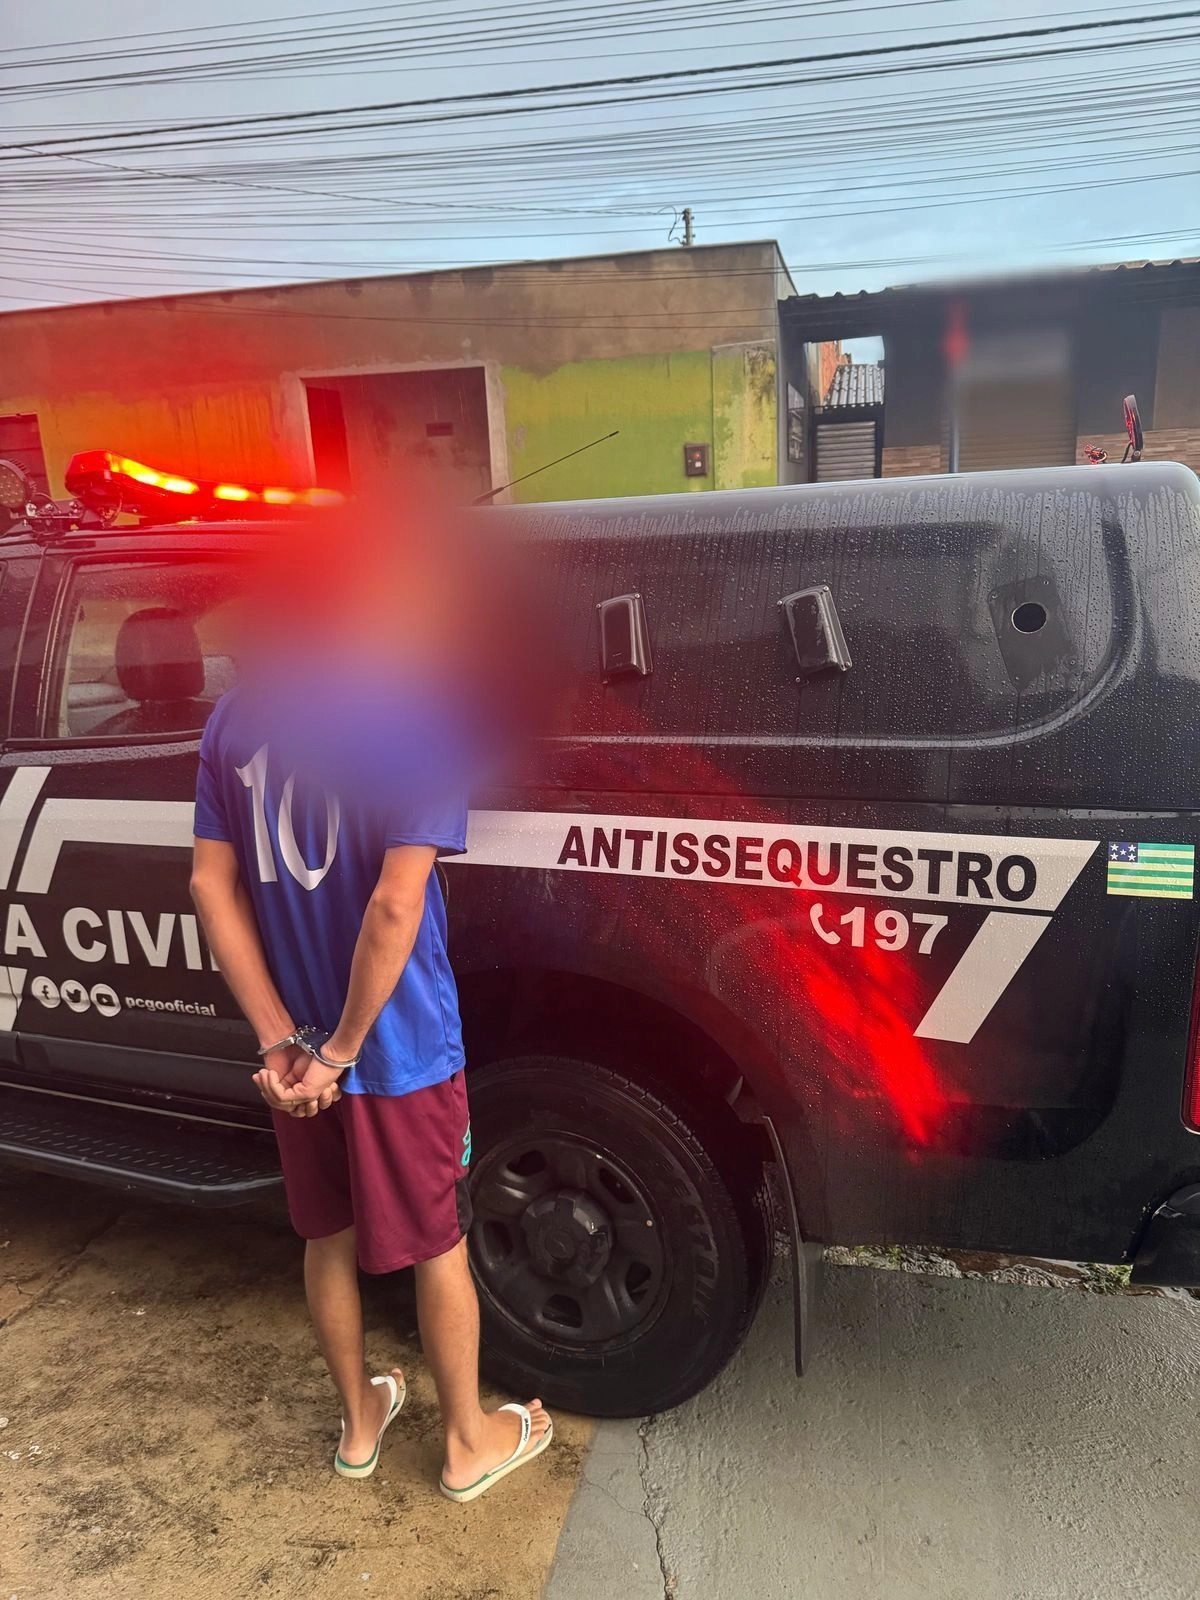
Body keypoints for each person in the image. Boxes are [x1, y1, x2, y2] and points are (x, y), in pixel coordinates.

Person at [189, 652, 553, 1503]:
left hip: (297, 1057)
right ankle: (466, 1445)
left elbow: (210, 886)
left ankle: (359, 1426)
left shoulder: (233, 716)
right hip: (399, 1052)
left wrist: (284, 1043)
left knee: (327, 1236)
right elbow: (395, 904)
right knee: (438, 1241)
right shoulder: (416, 716)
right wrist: (343, 1049)